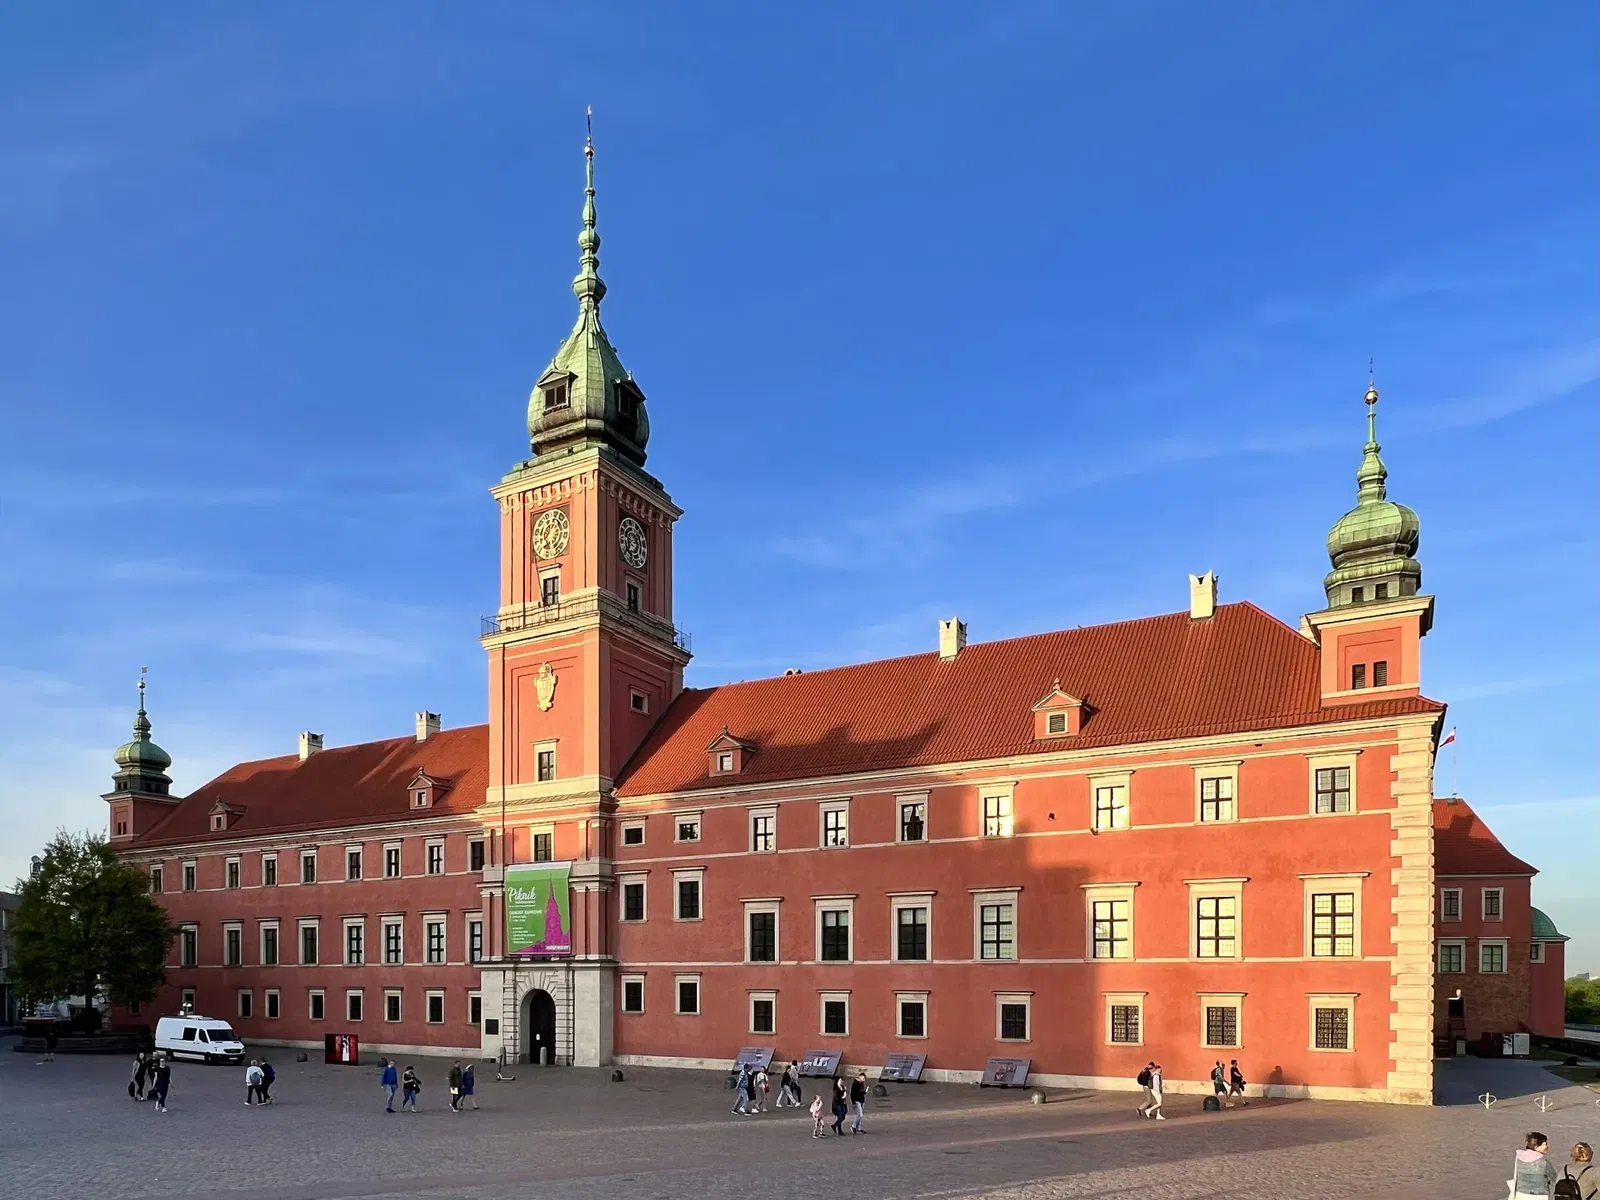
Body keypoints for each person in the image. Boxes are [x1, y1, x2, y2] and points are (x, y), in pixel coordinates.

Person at [1513, 1132, 1557, 1199]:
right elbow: (1554, 1179)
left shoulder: (1519, 1158)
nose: (1547, 1146)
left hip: (1520, 1194)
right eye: (1545, 1144)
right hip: (1540, 1196)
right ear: (1536, 1147)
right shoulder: (1544, 1163)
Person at [849, 1069, 868, 1133]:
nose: (864, 1080)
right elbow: (852, 1094)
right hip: (857, 1101)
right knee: (860, 1115)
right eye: (863, 1078)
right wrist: (853, 1102)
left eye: (864, 1078)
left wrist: (864, 1092)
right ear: (860, 1077)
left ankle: (859, 1128)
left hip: (862, 1100)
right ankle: (854, 1126)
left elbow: (860, 1092)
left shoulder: (861, 1083)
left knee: (859, 1115)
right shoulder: (855, 1084)